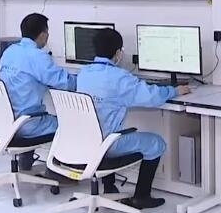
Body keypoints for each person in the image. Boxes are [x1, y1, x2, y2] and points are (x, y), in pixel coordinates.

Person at [77, 28, 191, 209]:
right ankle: (141, 197)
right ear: (118, 53)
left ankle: (109, 186)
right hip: (108, 145)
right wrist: (175, 90)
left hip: (84, 141)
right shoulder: (119, 77)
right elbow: (151, 97)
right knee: (156, 143)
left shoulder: (84, 73)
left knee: (106, 127)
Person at [0, 13, 75, 173]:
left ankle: (25, 164)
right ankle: (58, 172)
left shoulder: (9, 52)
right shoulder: (38, 57)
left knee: (33, 111)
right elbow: (65, 83)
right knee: (71, 124)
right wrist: (88, 77)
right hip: (28, 124)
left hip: (7, 121)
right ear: (43, 35)